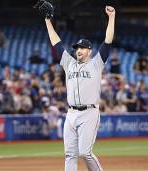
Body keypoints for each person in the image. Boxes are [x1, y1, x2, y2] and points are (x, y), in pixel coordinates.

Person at [44, 5, 115, 171]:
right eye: (77, 48)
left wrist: (111, 18)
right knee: (69, 154)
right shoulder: (69, 64)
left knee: (85, 153)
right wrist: (48, 21)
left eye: (82, 48)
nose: (79, 51)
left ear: (89, 51)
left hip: (89, 112)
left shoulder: (96, 64)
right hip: (71, 113)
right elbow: (56, 43)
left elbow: (108, 41)